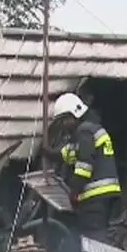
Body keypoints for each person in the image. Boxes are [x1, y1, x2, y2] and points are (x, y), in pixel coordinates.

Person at [51, 92, 121, 241]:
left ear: (74, 115)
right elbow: (69, 153)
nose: (63, 126)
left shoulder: (84, 131)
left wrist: (74, 191)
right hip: (107, 195)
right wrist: (50, 153)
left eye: (64, 120)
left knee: (94, 241)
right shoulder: (91, 130)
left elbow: (84, 164)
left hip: (95, 197)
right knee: (103, 236)